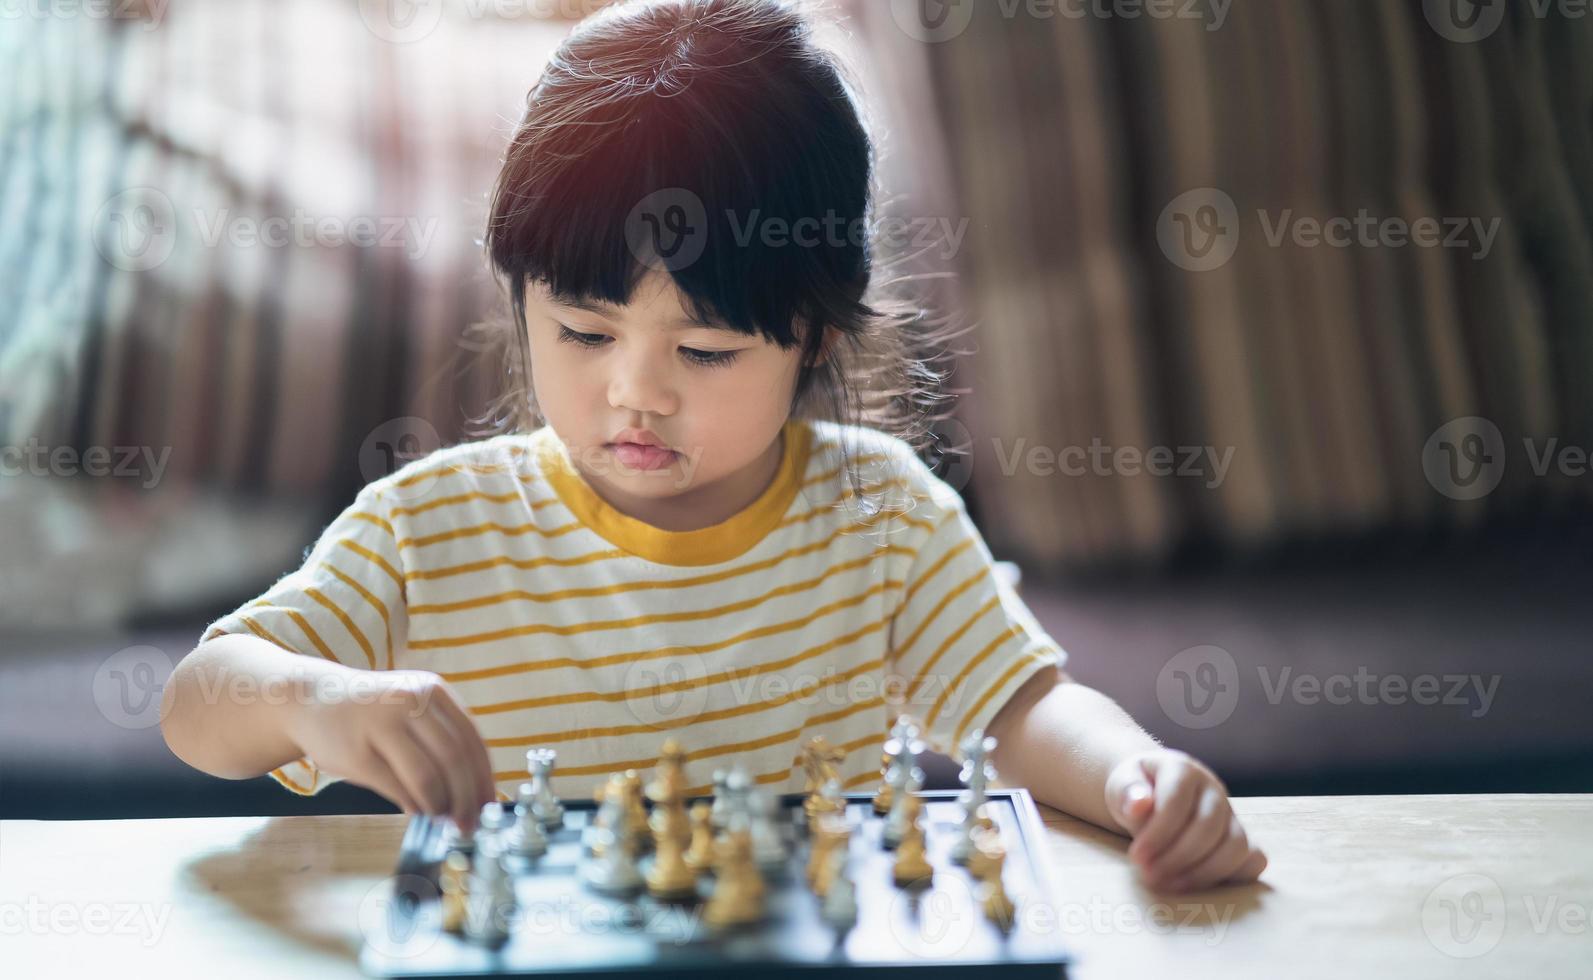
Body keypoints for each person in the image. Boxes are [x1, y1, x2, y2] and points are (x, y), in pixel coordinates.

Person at [161, 0, 1264, 894]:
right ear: (521, 301)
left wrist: (1137, 774)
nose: (635, 392)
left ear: (814, 339)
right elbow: (202, 700)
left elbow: (1019, 709)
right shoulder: (429, 528)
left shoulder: (880, 515)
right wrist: (316, 698)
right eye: (584, 333)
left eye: (707, 351)